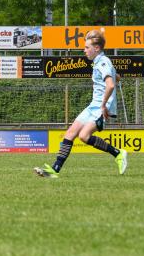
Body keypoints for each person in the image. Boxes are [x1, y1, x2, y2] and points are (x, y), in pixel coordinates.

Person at [34, 29, 127, 178]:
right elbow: (117, 78)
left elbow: (110, 85)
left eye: (87, 47)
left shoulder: (103, 61)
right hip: (94, 105)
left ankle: (118, 153)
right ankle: (54, 170)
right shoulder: (101, 62)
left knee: (84, 136)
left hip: (101, 107)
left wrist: (104, 105)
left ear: (96, 48)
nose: (84, 51)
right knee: (70, 133)